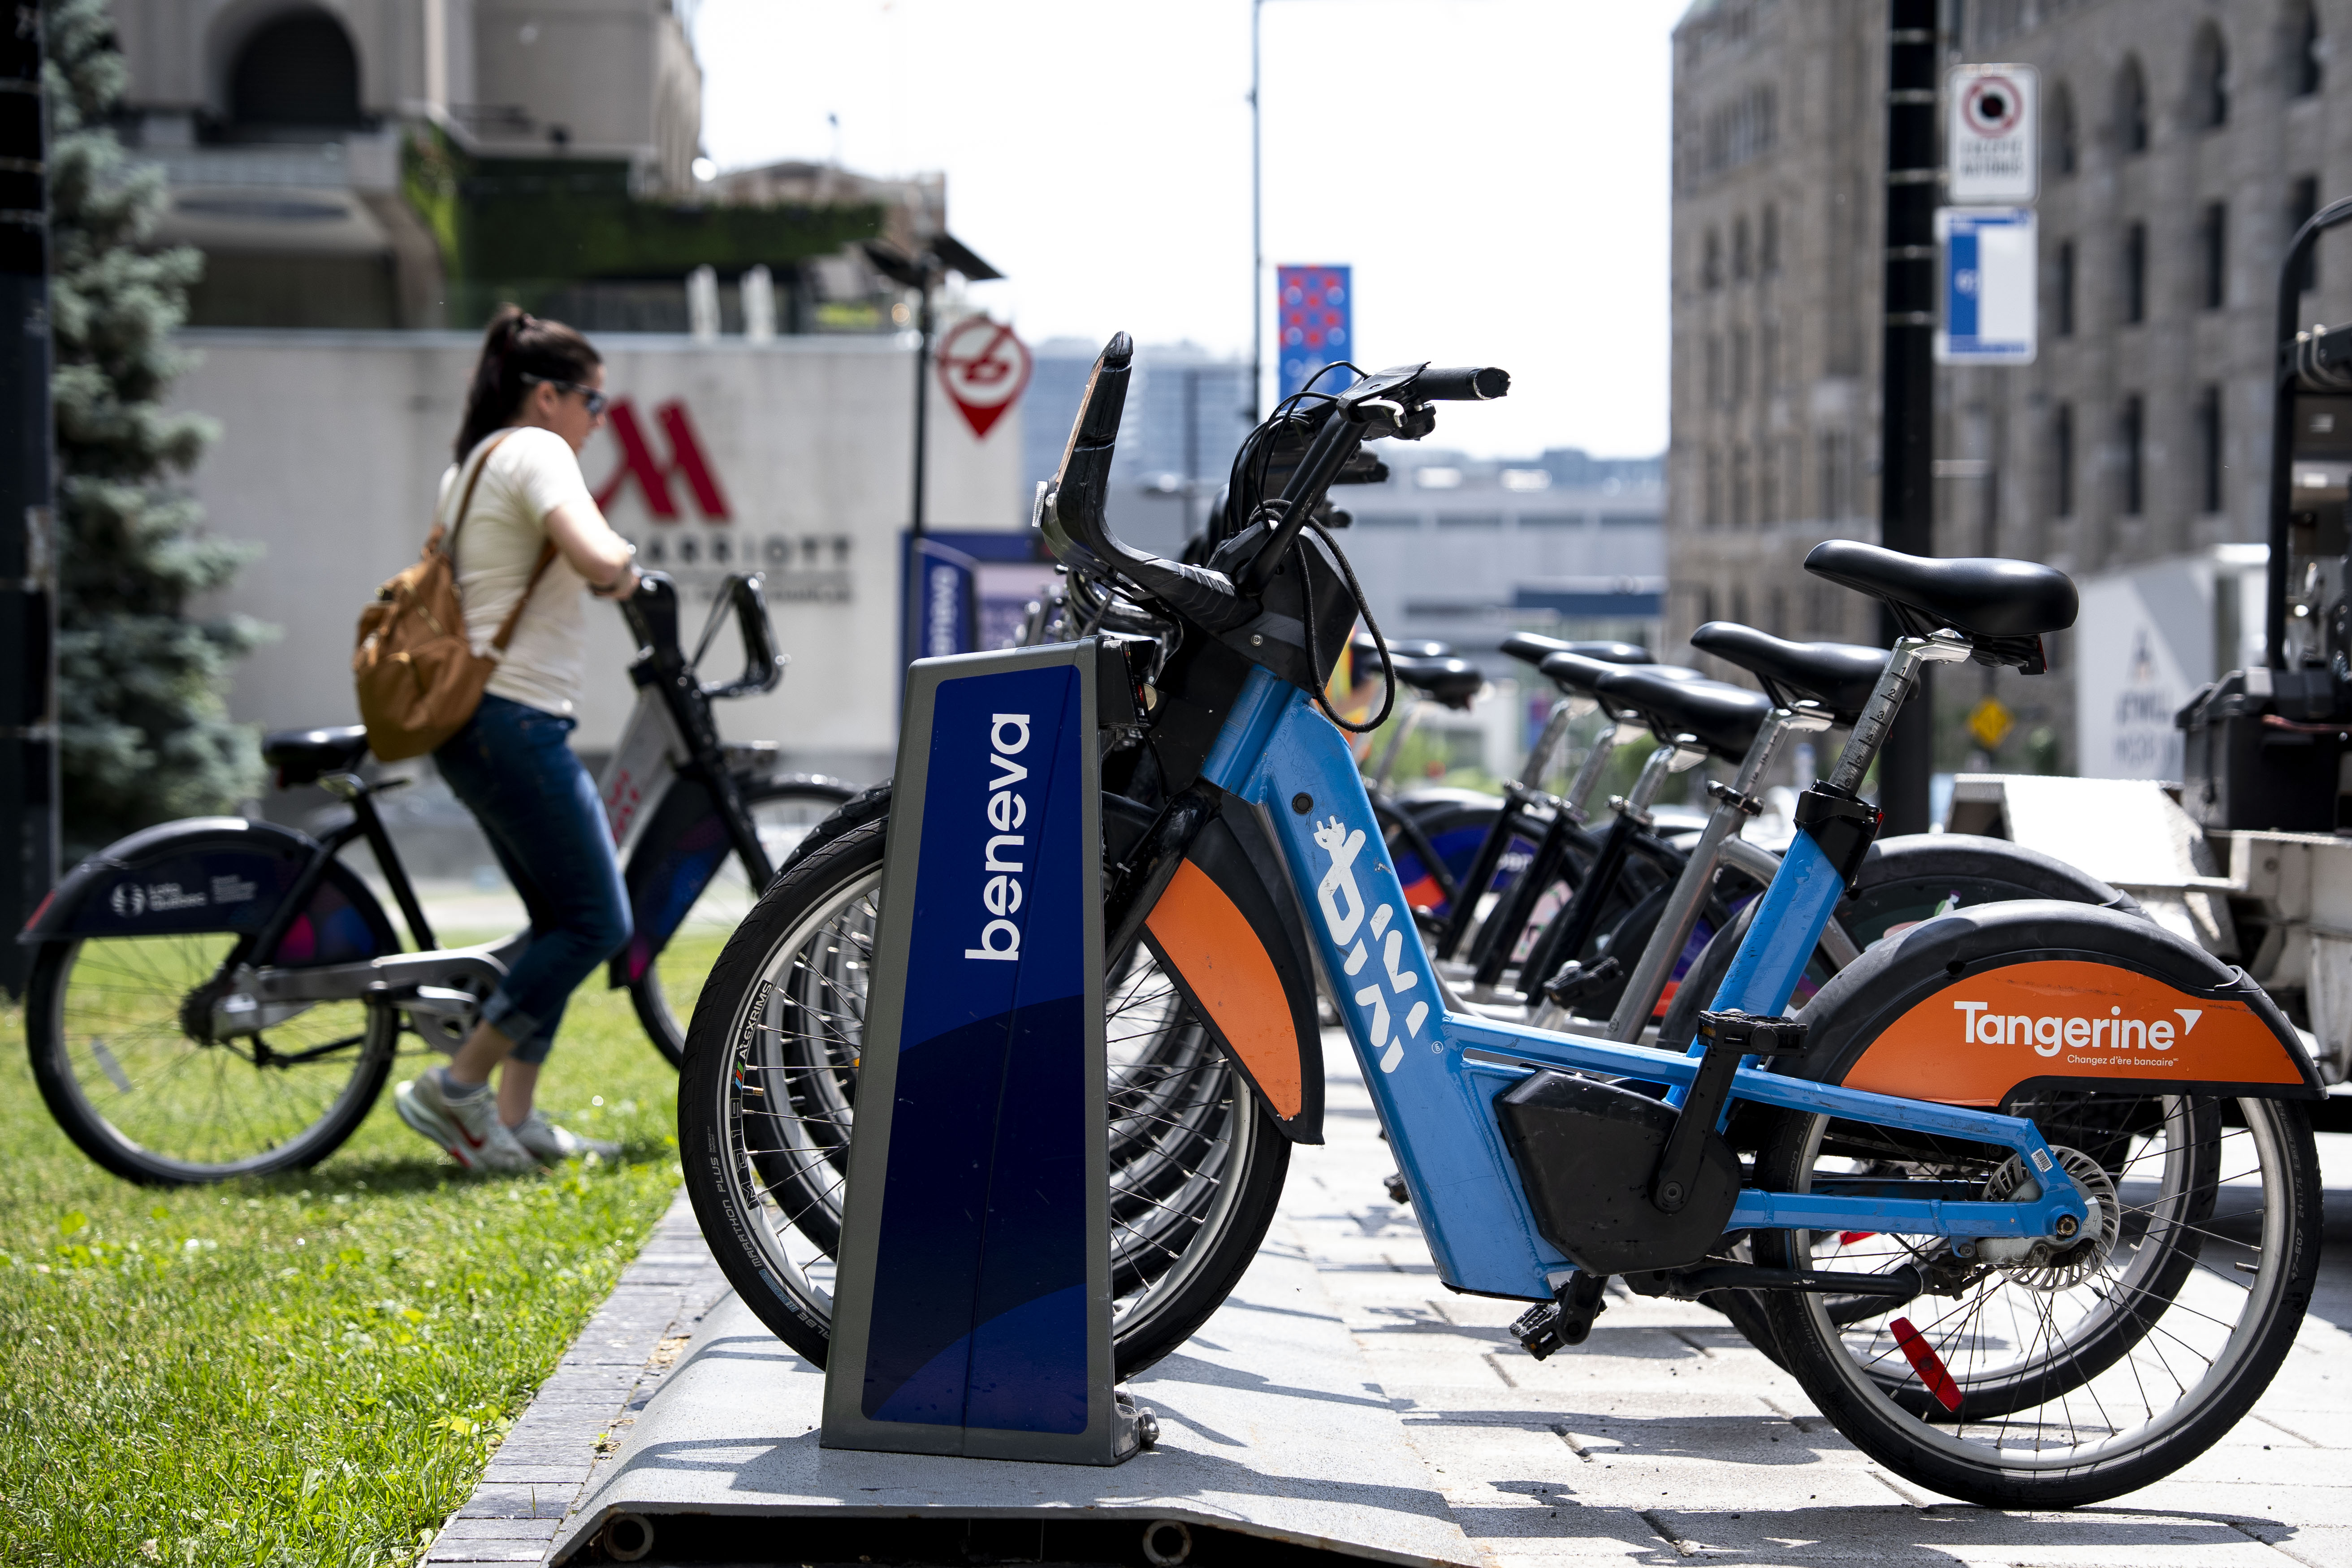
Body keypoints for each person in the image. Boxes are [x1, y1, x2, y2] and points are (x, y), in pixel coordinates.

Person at [391, 307, 641, 1172]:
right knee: (598, 922)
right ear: (547, 395)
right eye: (594, 402)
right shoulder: (537, 450)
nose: (598, 419)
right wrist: (627, 567)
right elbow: (593, 550)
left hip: (477, 723)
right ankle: (455, 1090)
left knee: (557, 921)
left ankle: (518, 1113)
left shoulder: (469, 465)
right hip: (513, 719)